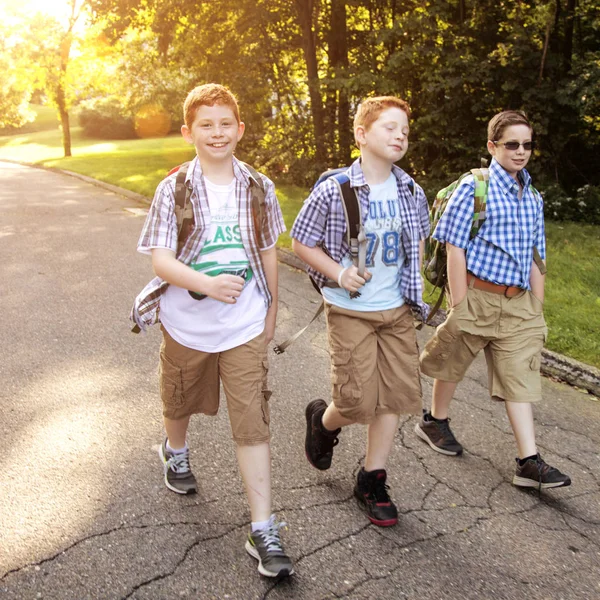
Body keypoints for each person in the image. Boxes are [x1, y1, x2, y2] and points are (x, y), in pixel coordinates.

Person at [131, 83, 293, 578]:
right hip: (186, 325)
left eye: (226, 123)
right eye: (207, 124)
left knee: (252, 421)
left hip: (243, 325)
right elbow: (160, 259)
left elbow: (268, 249)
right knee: (178, 401)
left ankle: (262, 529)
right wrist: (206, 283)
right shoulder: (174, 188)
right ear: (188, 132)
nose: (217, 133)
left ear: (240, 129)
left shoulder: (258, 187)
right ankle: (175, 451)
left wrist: (270, 309)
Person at [291, 96, 430, 526]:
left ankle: (371, 478)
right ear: (361, 134)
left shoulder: (411, 190)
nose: (400, 134)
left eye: (404, 129)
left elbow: (418, 245)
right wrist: (339, 271)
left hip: (396, 310)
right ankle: (324, 421)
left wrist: (417, 290)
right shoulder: (335, 190)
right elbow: (300, 242)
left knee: (393, 396)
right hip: (350, 309)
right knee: (354, 400)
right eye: (389, 127)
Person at [417, 110, 571, 490]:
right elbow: (454, 247)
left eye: (527, 145)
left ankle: (528, 461)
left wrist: (537, 305)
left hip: (519, 303)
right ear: (492, 146)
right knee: (453, 361)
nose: (521, 152)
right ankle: (435, 421)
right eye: (512, 144)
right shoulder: (475, 187)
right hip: (477, 293)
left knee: (520, 377)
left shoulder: (533, 197)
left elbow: (537, 256)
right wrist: (459, 303)